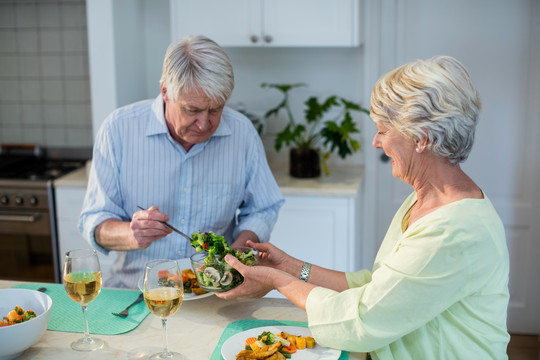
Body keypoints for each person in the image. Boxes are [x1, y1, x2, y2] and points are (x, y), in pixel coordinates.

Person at [217, 56, 510, 359]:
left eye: (383, 130)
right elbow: (377, 288)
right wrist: (289, 267)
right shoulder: (424, 200)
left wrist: (279, 282)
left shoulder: (453, 232)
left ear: (420, 138)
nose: (376, 141)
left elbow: (363, 319)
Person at [79, 35, 284, 289]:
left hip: (215, 293)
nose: (204, 123)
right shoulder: (117, 130)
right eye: (192, 110)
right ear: (165, 91)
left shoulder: (242, 134)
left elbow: (263, 208)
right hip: (135, 296)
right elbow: (95, 222)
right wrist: (132, 234)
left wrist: (238, 251)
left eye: (215, 109)